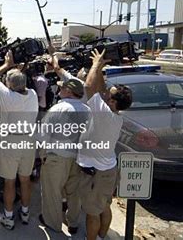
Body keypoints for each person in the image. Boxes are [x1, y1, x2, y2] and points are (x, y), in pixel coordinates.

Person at [78, 49, 132, 240]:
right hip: (108, 168)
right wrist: (100, 68)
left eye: (110, 95)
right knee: (105, 206)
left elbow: (90, 87)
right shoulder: (116, 115)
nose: (107, 94)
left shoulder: (104, 115)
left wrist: (95, 65)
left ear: (114, 102)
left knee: (92, 212)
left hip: (97, 173)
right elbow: (100, 89)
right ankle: (101, 236)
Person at [0, 51, 38, 230]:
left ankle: (8, 217)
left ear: (9, 84)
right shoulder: (32, 94)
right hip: (29, 141)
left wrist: (6, 65)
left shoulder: (7, 96)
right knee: (25, 180)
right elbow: (19, 83)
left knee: (9, 181)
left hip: (11, 141)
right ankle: (25, 213)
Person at [38, 78, 92, 234]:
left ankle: (53, 223)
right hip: (78, 157)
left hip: (57, 157)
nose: (59, 89)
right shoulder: (87, 110)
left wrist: (43, 154)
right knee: (74, 192)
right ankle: (73, 222)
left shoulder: (57, 109)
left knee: (52, 191)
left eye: (62, 88)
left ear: (69, 91)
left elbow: (44, 135)